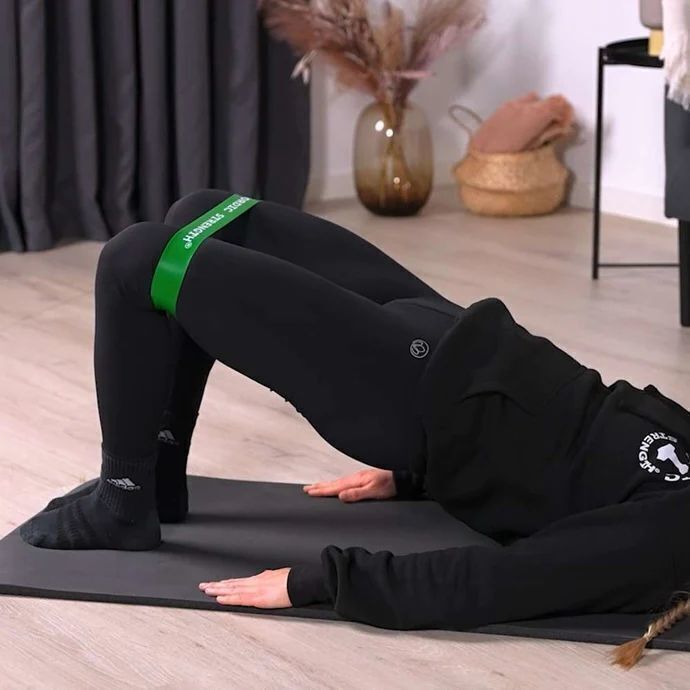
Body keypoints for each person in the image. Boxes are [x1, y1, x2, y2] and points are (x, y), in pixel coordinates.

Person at [19, 190, 690, 668]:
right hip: (452, 329)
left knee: (138, 260)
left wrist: (326, 581)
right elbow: (577, 455)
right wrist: (414, 481)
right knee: (208, 215)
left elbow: (511, 580)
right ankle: (160, 478)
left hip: (414, 396)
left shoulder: (672, 535)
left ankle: (124, 503)